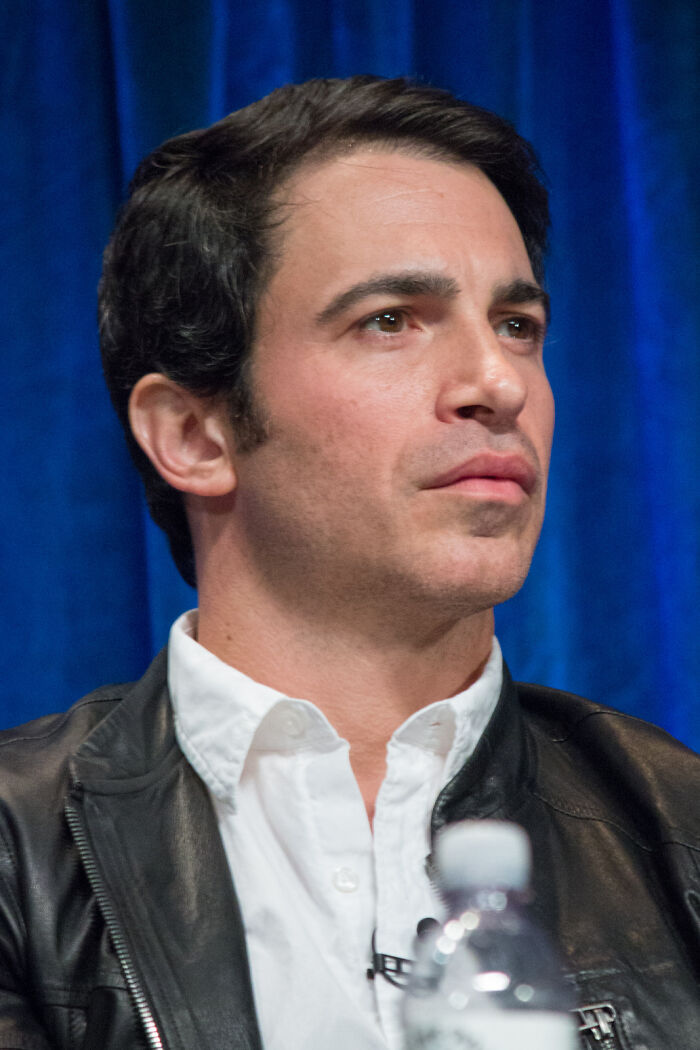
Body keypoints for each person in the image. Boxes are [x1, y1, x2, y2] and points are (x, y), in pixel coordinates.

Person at [0, 75, 698, 1050]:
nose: (496, 382)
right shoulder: (17, 853)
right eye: (390, 320)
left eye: (515, 325)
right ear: (195, 434)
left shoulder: (679, 829)